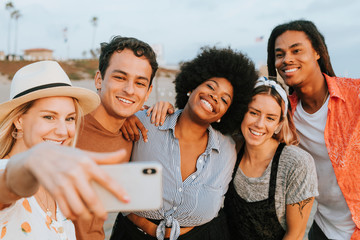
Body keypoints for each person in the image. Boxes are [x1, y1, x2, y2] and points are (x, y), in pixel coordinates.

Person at [110, 47, 258, 240]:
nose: (215, 96)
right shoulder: (145, 123)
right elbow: (101, 115)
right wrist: (123, 117)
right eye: (211, 87)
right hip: (133, 234)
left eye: (224, 99)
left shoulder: (228, 150)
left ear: (225, 114)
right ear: (192, 87)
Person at [0, 61, 129, 239]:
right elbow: (8, 185)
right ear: (19, 121)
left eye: (69, 119)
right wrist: (30, 163)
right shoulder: (6, 175)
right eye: (49, 117)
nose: (63, 131)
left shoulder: (60, 182)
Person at [267, 19, 360, 239]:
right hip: (321, 227)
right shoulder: (283, 114)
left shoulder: (355, 95)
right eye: (279, 54)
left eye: (296, 50)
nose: (287, 59)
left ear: (317, 52)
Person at [73, 36, 158, 240]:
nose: (129, 90)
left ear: (148, 93)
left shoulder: (134, 134)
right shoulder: (67, 127)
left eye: (140, 82)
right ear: (99, 79)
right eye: (120, 77)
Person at [224, 77, 318, 240]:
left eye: (270, 118)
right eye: (253, 113)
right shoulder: (230, 149)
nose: (259, 124)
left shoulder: (296, 164)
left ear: (280, 124)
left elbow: (295, 234)